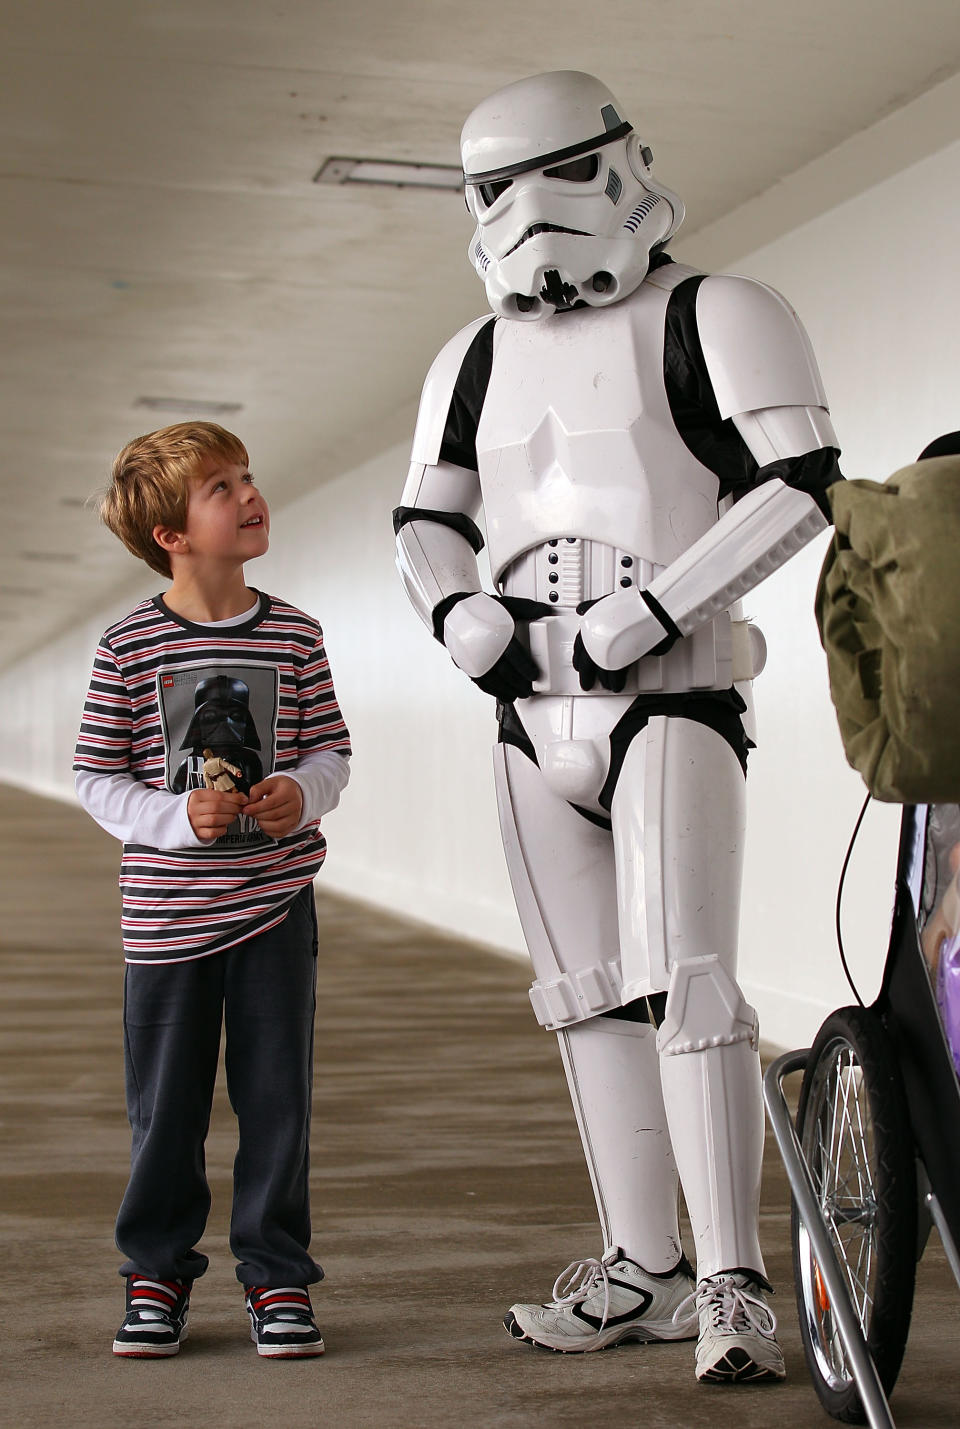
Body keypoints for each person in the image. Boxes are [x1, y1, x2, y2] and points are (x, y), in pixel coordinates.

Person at [394, 71, 844, 1383]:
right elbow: (428, 518)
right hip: (528, 707)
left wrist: (656, 607)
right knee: (586, 1001)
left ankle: (730, 1282)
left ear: (624, 162)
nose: (530, 212)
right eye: (496, 187)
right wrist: (457, 611)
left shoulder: (720, 314)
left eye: (560, 172)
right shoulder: (468, 355)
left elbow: (799, 483)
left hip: (674, 693)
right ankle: (641, 1265)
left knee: (687, 983)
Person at [73, 421, 351, 1358]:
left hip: (274, 908)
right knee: (168, 1107)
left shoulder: (296, 634)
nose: (249, 495)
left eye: (247, 478)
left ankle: (277, 1278)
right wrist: (169, 814)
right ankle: (154, 1271)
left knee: (278, 1100)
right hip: (165, 919)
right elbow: (95, 776)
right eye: (221, 487)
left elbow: (330, 750)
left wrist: (300, 796)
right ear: (173, 535)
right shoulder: (128, 643)